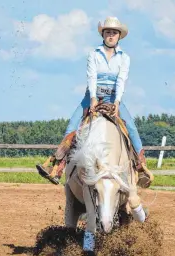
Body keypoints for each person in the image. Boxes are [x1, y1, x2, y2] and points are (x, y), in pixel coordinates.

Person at [36, 16, 152, 187]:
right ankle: (57, 168)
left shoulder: (124, 58)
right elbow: (92, 77)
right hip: (92, 96)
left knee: (132, 128)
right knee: (73, 127)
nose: (111, 35)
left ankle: (140, 167)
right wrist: (92, 99)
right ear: (103, 35)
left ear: (119, 36)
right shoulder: (93, 55)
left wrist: (117, 102)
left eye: (114, 33)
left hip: (113, 98)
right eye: (107, 32)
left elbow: (121, 80)